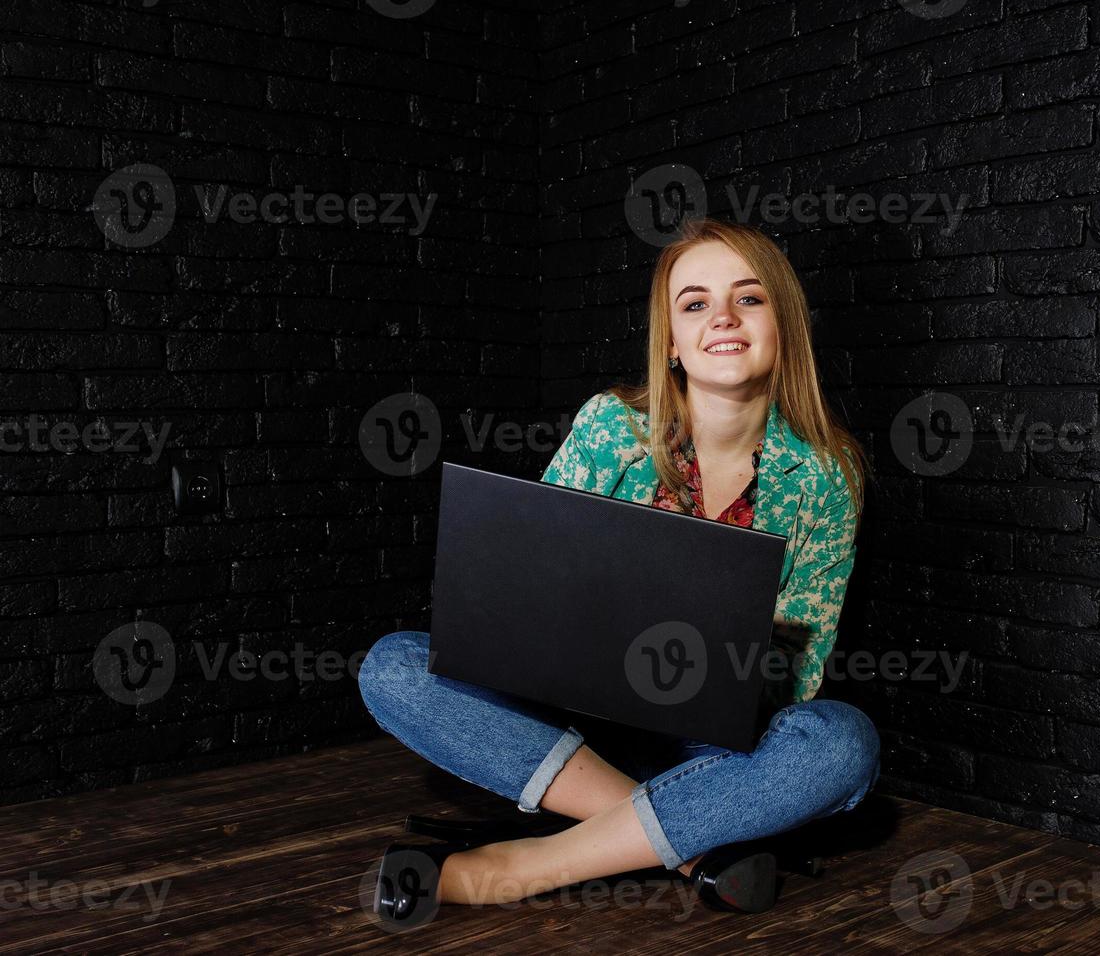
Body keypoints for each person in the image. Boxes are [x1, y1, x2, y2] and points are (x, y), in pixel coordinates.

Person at [357, 217, 880, 919]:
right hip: (574, 728)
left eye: (748, 299)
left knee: (841, 744)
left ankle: (526, 866)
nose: (722, 317)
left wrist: (725, 668)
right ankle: (693, 843)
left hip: (710, 744)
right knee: (392, 666)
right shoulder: (611, 428)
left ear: (782, 321)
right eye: (694, 303)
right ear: (669, 340)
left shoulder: (826, 472)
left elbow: (803, 666)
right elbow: (528, 589)